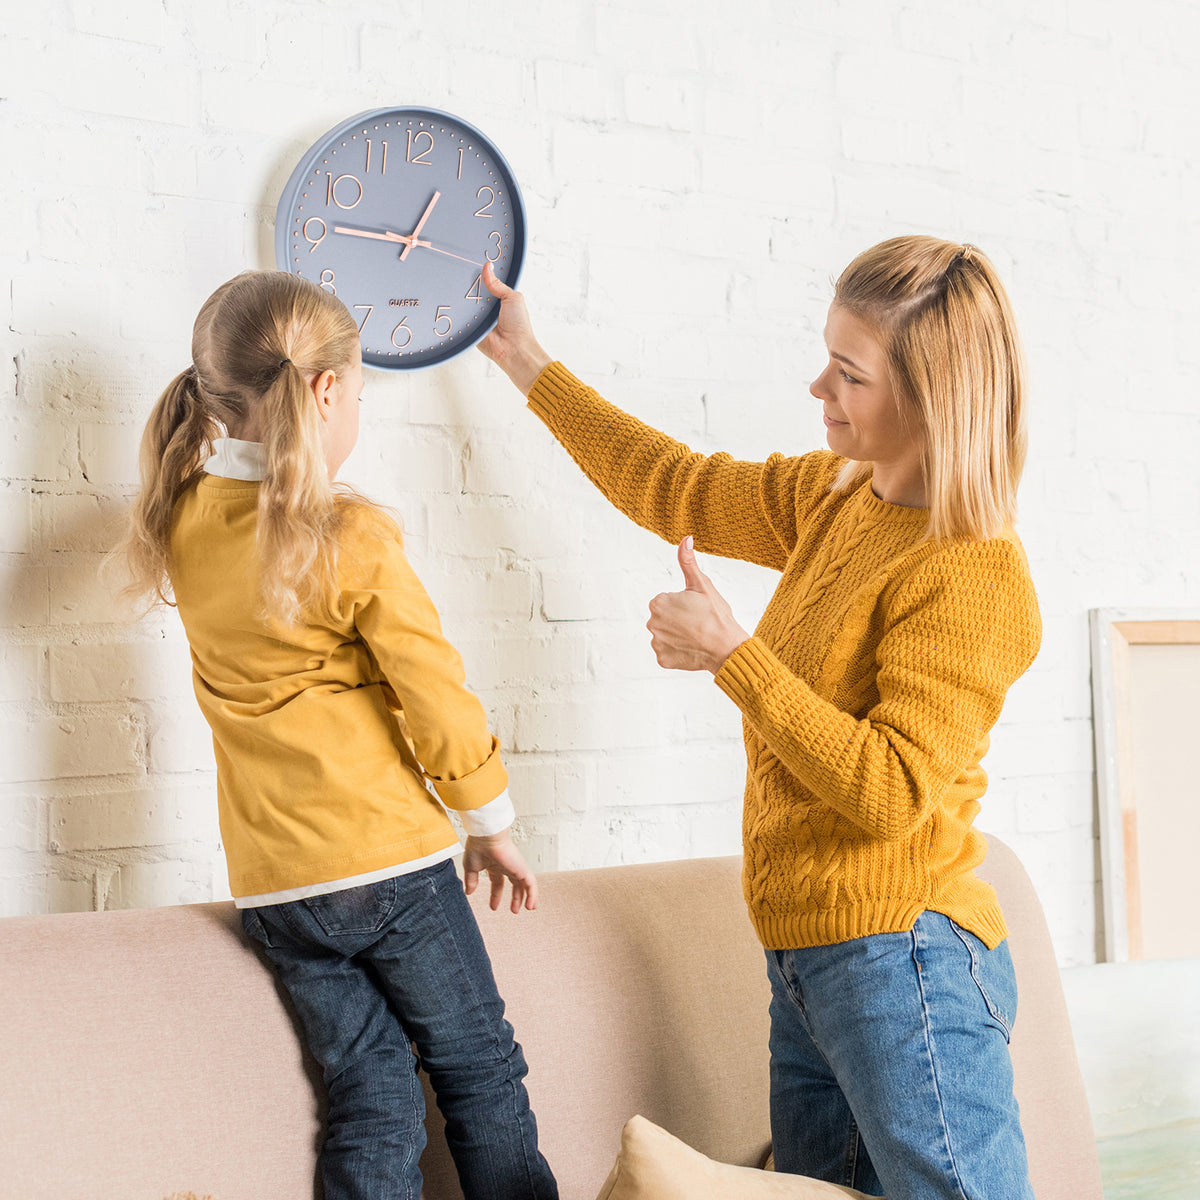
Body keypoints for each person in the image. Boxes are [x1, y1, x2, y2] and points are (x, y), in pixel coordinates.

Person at [478, 237, 1040, 1199]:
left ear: (928, 398)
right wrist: (525, 359)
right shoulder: (838, 500)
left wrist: (736, 658)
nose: (817, 384)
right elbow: (674, 484)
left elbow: (891, 791)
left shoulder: (971, 570)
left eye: (849, 373)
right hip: (808, 964)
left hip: (905, 962)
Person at [114, 270, 558, 1200]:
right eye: (357, 391)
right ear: (324, 392)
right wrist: (492, 823)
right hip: (387, 865)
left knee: (373, 1097)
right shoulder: (346, 532)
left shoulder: (183, 517)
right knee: (481, 1072)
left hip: (277, 889)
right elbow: (435, 694)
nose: (355, 406)